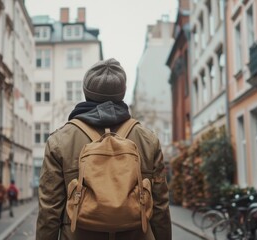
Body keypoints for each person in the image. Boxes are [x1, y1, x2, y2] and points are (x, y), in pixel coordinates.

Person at [36, 58, 172, 240]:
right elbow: (160, 206)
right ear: (122, 93)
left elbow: (49, 210)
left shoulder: (60, 140)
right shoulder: (148, 140)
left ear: (86, 92)